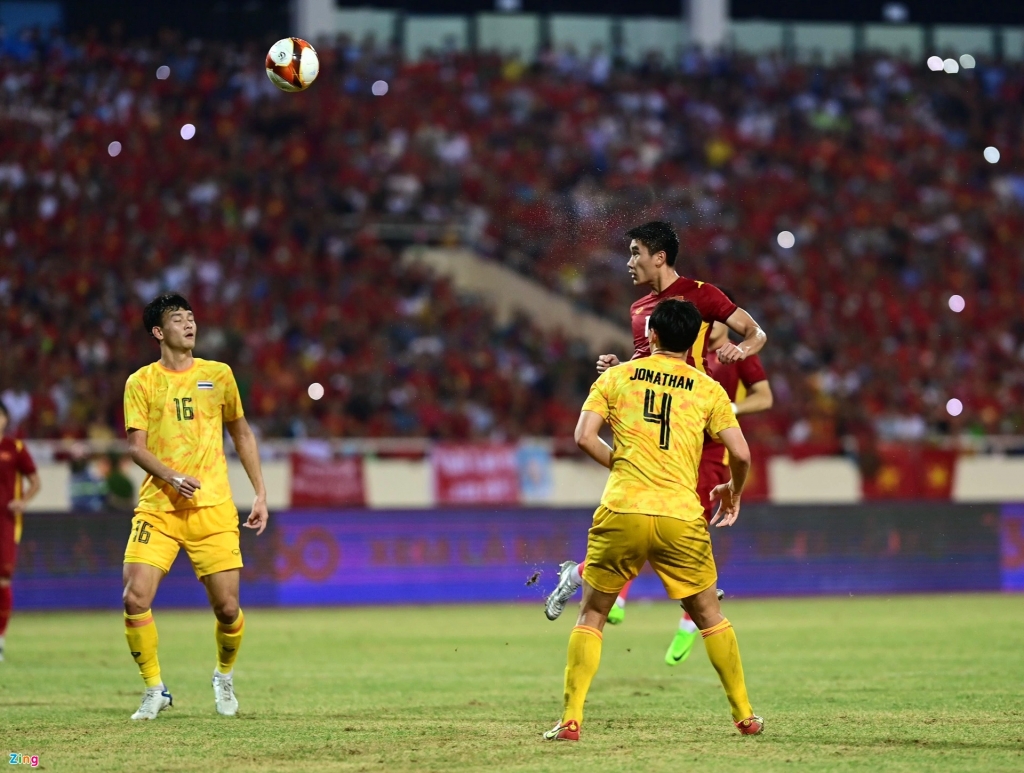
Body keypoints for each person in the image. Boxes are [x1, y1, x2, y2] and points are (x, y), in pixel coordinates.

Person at [544, 299, 762, 741]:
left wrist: (623, 467)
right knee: (709, 616)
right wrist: (732, 491)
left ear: (654, 336)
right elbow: (740, 453)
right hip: (680, 514)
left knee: (592, 615)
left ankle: (570, 721)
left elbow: (584, 437)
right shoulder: (707, 389)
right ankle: (744, 716)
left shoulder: (617, 376)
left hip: (622, 509)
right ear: (693, 341)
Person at [545, 221, 767, 622]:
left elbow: (756, 332)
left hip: (696, 414)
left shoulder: (704, 295)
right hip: (659, 423)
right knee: (654, 516)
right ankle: (684, 586)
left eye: (635, 253)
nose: (629, 262)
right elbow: (650, 361)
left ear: (659, 257)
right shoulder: (639, 310)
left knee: (675, 511)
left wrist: (742, 350)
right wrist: (622, 366)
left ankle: (590, 577)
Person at [122, 293, 269, 720]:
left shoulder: (219, 375)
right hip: (159, 507)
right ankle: (155, 689)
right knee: (135, 598)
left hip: (213, 507)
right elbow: (136, 448)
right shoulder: (141, 382)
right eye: (178, 319)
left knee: (227, 608)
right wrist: (171, 477)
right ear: (158, 331)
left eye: (191, 318)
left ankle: (224, 675)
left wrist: (259, 492)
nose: (189, 324)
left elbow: (242, 434)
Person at [665, 301, 773, 665]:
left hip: (710, 453)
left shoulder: (736, 354)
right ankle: (616, 593)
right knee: (653, 513)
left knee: (688, 524)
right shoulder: (687, 352)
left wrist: (727, 411)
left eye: (712, 321)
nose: (707, 328)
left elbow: (764, 397)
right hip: (678, 445)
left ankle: (688, 619)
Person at [0, 400, 41, 662]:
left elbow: (35, 481)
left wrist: (23, 501)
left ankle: (0, 639)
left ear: (5, 419)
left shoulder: (14, 448)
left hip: (6, 521)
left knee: (3, 580)